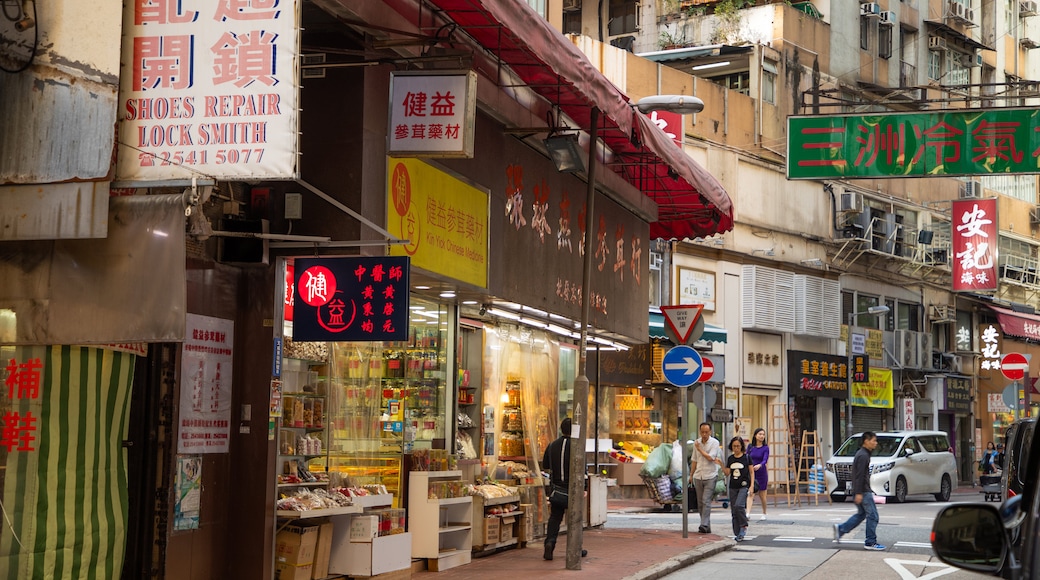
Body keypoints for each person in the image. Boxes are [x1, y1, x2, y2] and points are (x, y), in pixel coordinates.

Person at [541, 418, 587, 561]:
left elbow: (546, 465)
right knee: (575, 519)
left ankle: (550, 542)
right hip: (573, 489)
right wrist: (584, 487)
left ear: (561, 429)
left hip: (557, 489)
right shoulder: (577, 446)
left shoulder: (552, 445)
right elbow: (583, 470)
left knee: (555, 517)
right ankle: (575, 548)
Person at [834, 431, 886, 550]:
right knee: (873, 516)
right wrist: (858, 493)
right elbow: (860, 475)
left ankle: (840, 530)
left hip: (861, 490)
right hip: (863, 491)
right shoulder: (863, 455)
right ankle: (870, 542)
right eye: (873, 440)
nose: (875, 443)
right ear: (866, 441)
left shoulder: (863, 454)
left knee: (861, 514)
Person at [691, 422, 722, 534]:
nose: (704, 434)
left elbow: (710, 457)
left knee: (706, 500)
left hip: (710, 475)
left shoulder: (714, 443)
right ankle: (706, 526)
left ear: (710, 432)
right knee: (700, 503)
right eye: (702, 432)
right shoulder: (697, 443)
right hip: (698, 475)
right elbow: (694, 460)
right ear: (700, 431)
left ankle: (703, 524)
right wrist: (691, 475)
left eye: (706, 432)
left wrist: (699, 449)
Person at [720, 436, 752, 541]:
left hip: (743, 485)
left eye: (738, 446)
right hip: (733, 486)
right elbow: (727, 473)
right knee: (734, 511)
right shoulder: (731, 459)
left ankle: (743, 525)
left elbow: (752, 472)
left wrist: (751, 486)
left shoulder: (747, 458)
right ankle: (738, 533)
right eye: (734, 446)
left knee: (739, 505)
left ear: (742, 446)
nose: (736, 448)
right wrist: (721, 464)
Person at [747, 427, 770, 519]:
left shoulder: (765, 448)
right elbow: (747, 457)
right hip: (751, 472)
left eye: (763, 434)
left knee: (762, 495)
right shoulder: (750, 447)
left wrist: (760, 465)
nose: (762, 436)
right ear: (755, 435)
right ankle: (747, 513)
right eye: (760, 434)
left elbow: (765, 459)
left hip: (761, 473)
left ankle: (764, 512)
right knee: (750, 492)